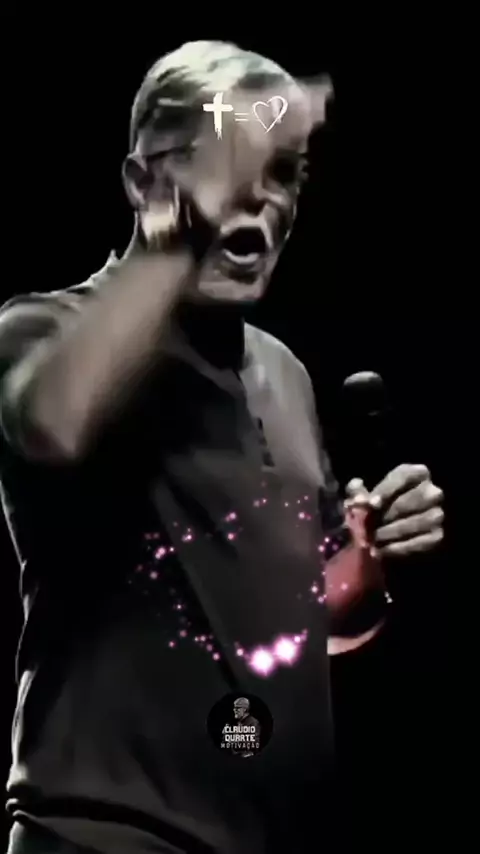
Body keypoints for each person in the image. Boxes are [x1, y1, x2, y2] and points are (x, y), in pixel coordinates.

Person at [0, 41, 444, 854]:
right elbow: (51, 422)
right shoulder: (43, 332)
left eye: (281, 174)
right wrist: (176, 241)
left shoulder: (287, 375)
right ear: (141, 184)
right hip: (98, 838)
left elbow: (313, 616)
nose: (253, 197)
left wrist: (375, 548)